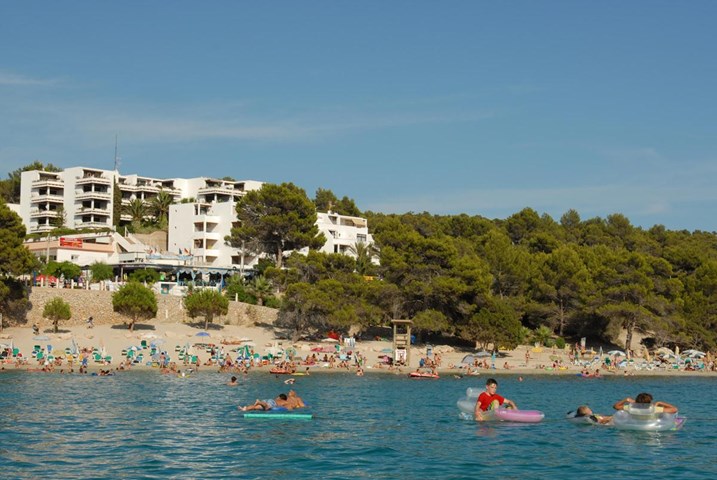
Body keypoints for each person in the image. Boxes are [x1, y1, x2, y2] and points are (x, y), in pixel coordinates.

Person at [613, 392, 677, 414]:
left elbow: (615, 406)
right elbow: (674, 409)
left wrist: (626, 399)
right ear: (650, 401)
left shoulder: (631, 407)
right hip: (650, 423)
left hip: (636, 423)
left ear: (636, 400)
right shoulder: (654, 409)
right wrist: (659, 403)